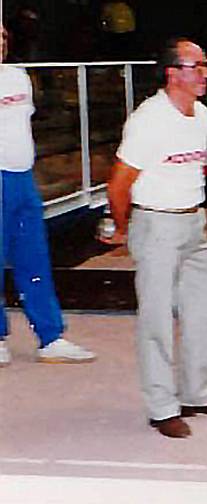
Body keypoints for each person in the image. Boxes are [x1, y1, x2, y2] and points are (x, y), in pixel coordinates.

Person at [104, 37, 207, 438]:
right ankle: (163, 407)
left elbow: (193, 165)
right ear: (172, 72)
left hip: (193, 224)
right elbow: (118, 185)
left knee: (204, 312)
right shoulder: (149, 120)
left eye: (205, 66)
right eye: (196, 67)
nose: (205, 74)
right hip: (157, 226)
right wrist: (125, 229)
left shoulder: (201, 116)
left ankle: (199, 393)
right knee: (157, 320)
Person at [0, 24, 96, 367]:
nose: (1, 43)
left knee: (34, 257)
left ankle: (50, 336)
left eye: (4, 37)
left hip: (23, 179)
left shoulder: (18, 77)